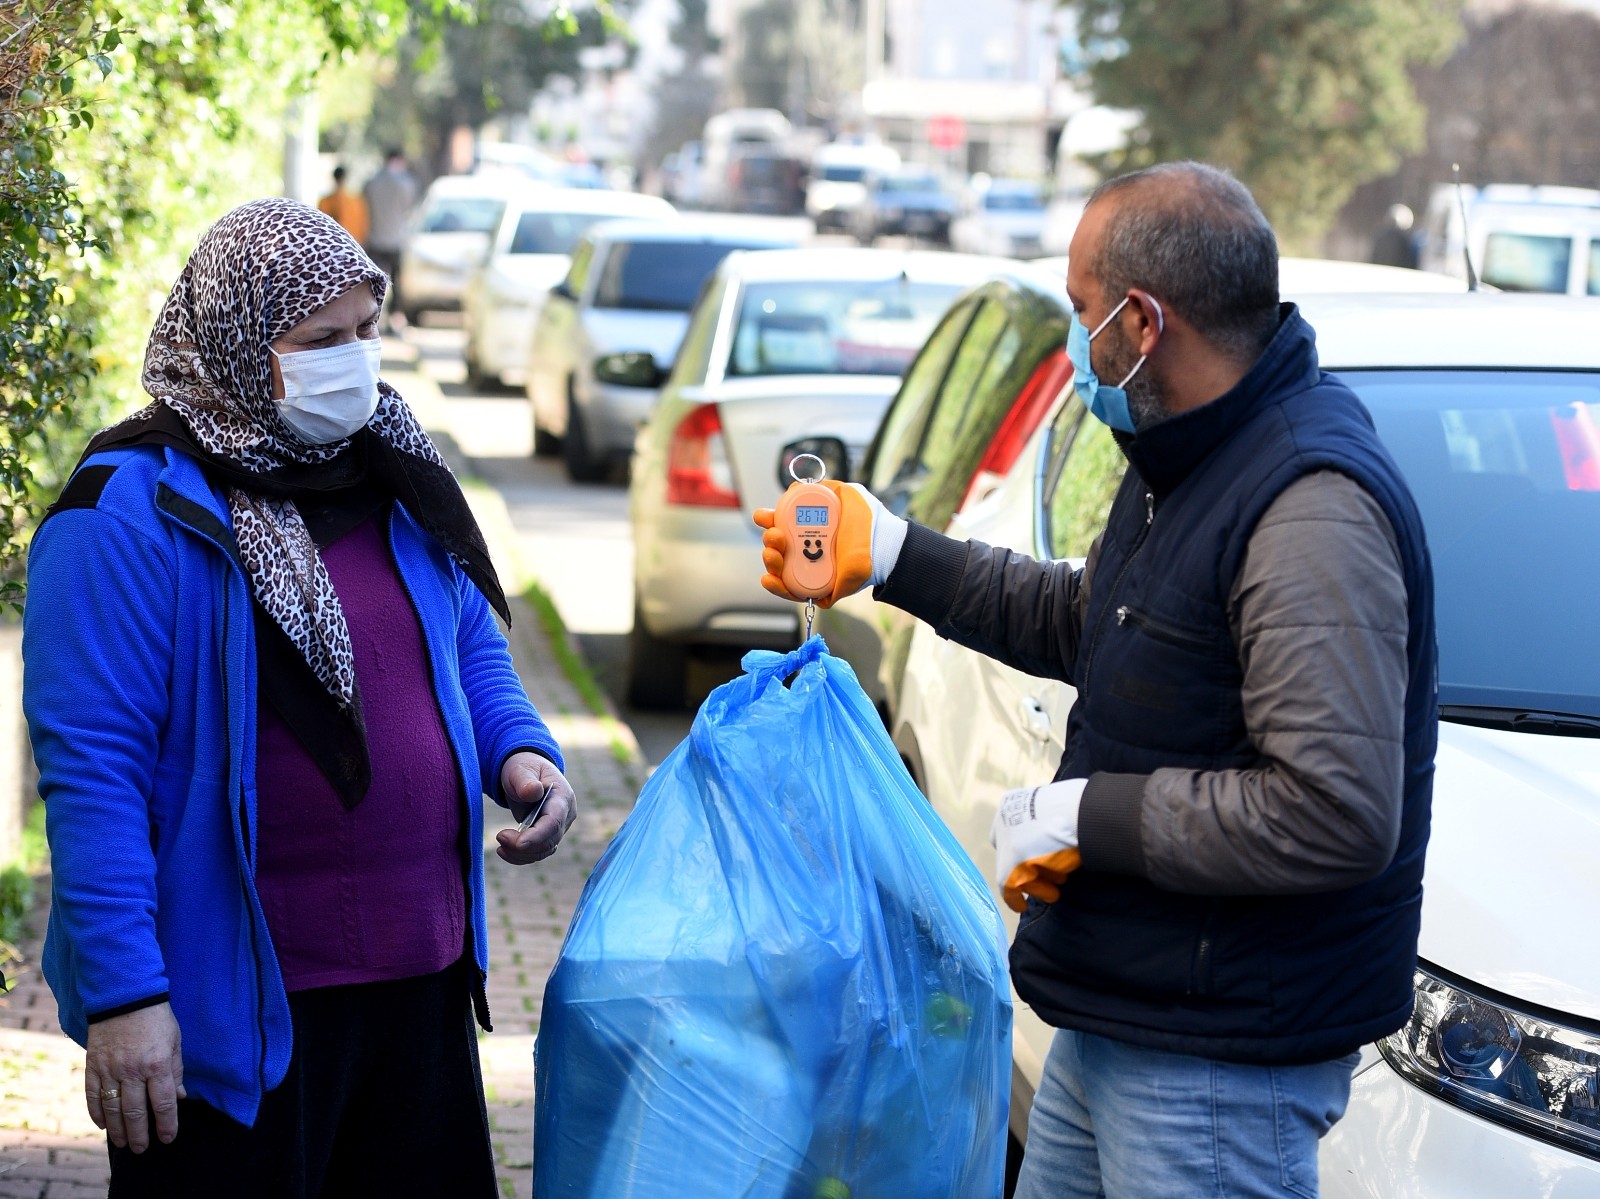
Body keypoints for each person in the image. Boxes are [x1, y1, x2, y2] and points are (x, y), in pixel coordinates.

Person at [756, 162, 1437, 1198]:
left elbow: (1332, 810)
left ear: (1142, 321)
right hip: (1129, 1011)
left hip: (1217, 1060)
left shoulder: (1307, 507)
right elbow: (1103, 619)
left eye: (1081, 313)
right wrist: (893, 554)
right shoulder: (1191, 457)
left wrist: (1087, 814)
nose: (1076, 344)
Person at [22, 198, 575, 1197]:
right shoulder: (127, 513)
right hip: (234, 1013)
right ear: (236, 342)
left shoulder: (394, 465)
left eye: (367, 329)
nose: (356, 360)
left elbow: (464, 646)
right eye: (321, 339)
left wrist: (520, 751)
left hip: (421, 984)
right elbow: (91, 774)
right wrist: (126, 998)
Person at [361, 149, 418, 327]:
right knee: (397, 283)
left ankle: (372, 318)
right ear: (399, 160)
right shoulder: (407, 183)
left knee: (373, 284)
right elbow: (410, 208)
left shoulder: (371, 183)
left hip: (375, 238)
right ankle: (395, 319)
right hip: (397, 239)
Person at [316, 165, 369, 244]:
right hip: (353, 244)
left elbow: (320, 227)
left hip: (331, 244)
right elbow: (363, 226)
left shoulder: (324, 201)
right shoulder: (356, 201)